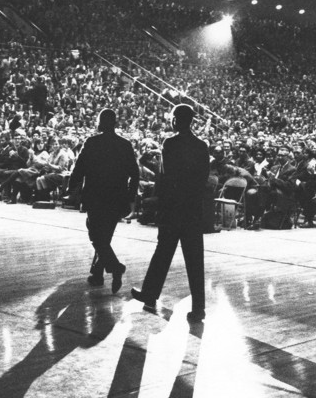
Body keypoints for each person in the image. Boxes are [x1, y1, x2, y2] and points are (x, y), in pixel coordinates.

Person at [131, 104, 211, 324]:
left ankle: (150, 293)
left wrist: (161, 205)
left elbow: (165, 178)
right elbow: (203, 177)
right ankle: (199, 308)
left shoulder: (170, 143)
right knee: (195, 260)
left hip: (173, 208)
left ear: (176, 120)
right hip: (192, 209)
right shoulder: (201, 145)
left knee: (163, 253)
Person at [67, 108, 139, 293]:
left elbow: (79, 168)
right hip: (117, 197)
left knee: (96, 236)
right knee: (104, 237)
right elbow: (134, 173)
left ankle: (115, 267)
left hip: (95, 196)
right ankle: (97, 275)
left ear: (100, 122)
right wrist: (130, 197)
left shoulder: (92, 142)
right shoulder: (125, 145)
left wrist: (71, 188)